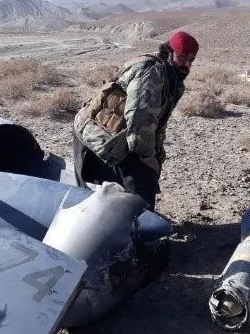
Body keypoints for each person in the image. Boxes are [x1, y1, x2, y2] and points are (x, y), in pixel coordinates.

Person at [73, 31, 199, 210]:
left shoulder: (173, 79)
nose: (187, 64)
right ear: (169, 51)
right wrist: (149, 160)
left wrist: (157, 151)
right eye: (183, 57)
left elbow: (158, 122)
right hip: (93, 135)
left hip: (117, 136)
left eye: (191, 60)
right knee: (123, 198)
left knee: (132, 187)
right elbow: (140, 125)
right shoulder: (151, 73)